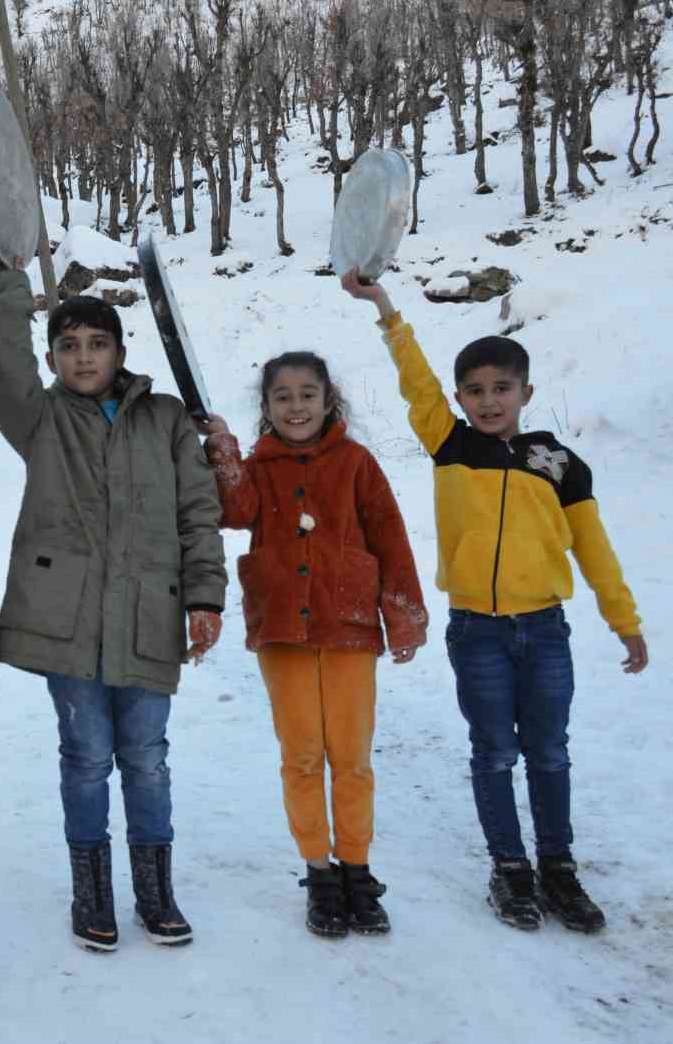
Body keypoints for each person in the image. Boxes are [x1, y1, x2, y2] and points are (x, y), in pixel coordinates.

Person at [344, 267, 649, 934]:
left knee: (549, 750)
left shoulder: (559, 464)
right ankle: (510, 867)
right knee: (494, 750)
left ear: (525, 392)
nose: (488, 402)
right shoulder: (452, 445)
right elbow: (417, 383)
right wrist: (386, 310)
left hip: (545, 629)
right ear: (459, 396)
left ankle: (558, 866)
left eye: (501, 389)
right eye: (475, 391)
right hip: (476, 630)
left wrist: (624, 621)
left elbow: (593, 548)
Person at [0, 261, 227, 953]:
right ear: (53, 357)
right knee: (86, 756)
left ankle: (155, 890)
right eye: (68, 345)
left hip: (150, 615)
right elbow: (2, 367)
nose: (83, 356)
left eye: (97, 342)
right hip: (69, 619)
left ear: (120, 350)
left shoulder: (166, 417)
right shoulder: (41, 417)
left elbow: (198, 513)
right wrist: (7, 289)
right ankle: (91, 890)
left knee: (146, 756)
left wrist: (206, 595)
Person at [197, 352, 427, 938]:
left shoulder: (357, 463)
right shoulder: (259, 467)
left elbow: (391, 540)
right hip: (283, 631)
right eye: (282, 397)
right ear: (267, 407)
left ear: (328, 400)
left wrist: (402, 616)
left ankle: (357, 868)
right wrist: (223, 450)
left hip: (347, 626)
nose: (295, 406)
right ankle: (319, 872)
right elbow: (233, 510)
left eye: (306, 394)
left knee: (350, 758)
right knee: (302, 756)